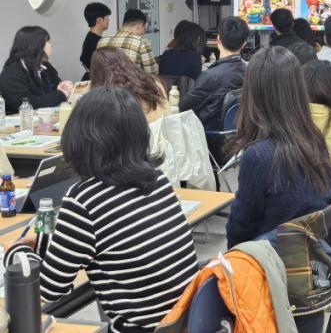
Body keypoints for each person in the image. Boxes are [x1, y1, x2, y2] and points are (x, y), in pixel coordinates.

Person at [2, 87, 198, 332]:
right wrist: (44, 243)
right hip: (185, 321)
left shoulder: (84, 200)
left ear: (79, 137)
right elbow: (109, 238)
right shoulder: (157, 179)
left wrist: (17, 253)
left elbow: (48, 289)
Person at [225, 47, 331, 332]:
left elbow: (241, 228)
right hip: (313, 274)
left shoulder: (259, 155)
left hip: (273, 279)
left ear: (252, 94)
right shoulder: (314, 140)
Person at [180, 16, 249, 131]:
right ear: (244, 45)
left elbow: (184, 107)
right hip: (242, 134)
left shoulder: (210, 76)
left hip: (210, 137)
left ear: (218, 40)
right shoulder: (251, 72)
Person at [0, 26, 73, 114]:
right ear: (36, 46)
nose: (51, 45)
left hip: (47, 117)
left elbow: (56, 86)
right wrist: (61, 94)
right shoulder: (11, 73)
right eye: (48, 41)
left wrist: (63, 86)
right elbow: (27, 104)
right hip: (22, 121)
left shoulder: (45, 66)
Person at [90, 47, 168, 123]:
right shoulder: (153, 82)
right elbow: (168, 115)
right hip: (162, 129)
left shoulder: (109, 98)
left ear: (97, 73)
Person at [98, 9, 158, 74]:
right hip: (132, 80)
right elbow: (152, 73)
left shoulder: (102, 41)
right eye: (144, 28)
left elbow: (98, 69)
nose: (144, 32)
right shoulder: (141, 42)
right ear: (139, 27)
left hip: (106, 80)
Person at [80, 2, 111, 80]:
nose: (108, 20)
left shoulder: (91, 38)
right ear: (99, 20)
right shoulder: (94, 42)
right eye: (107, 17)